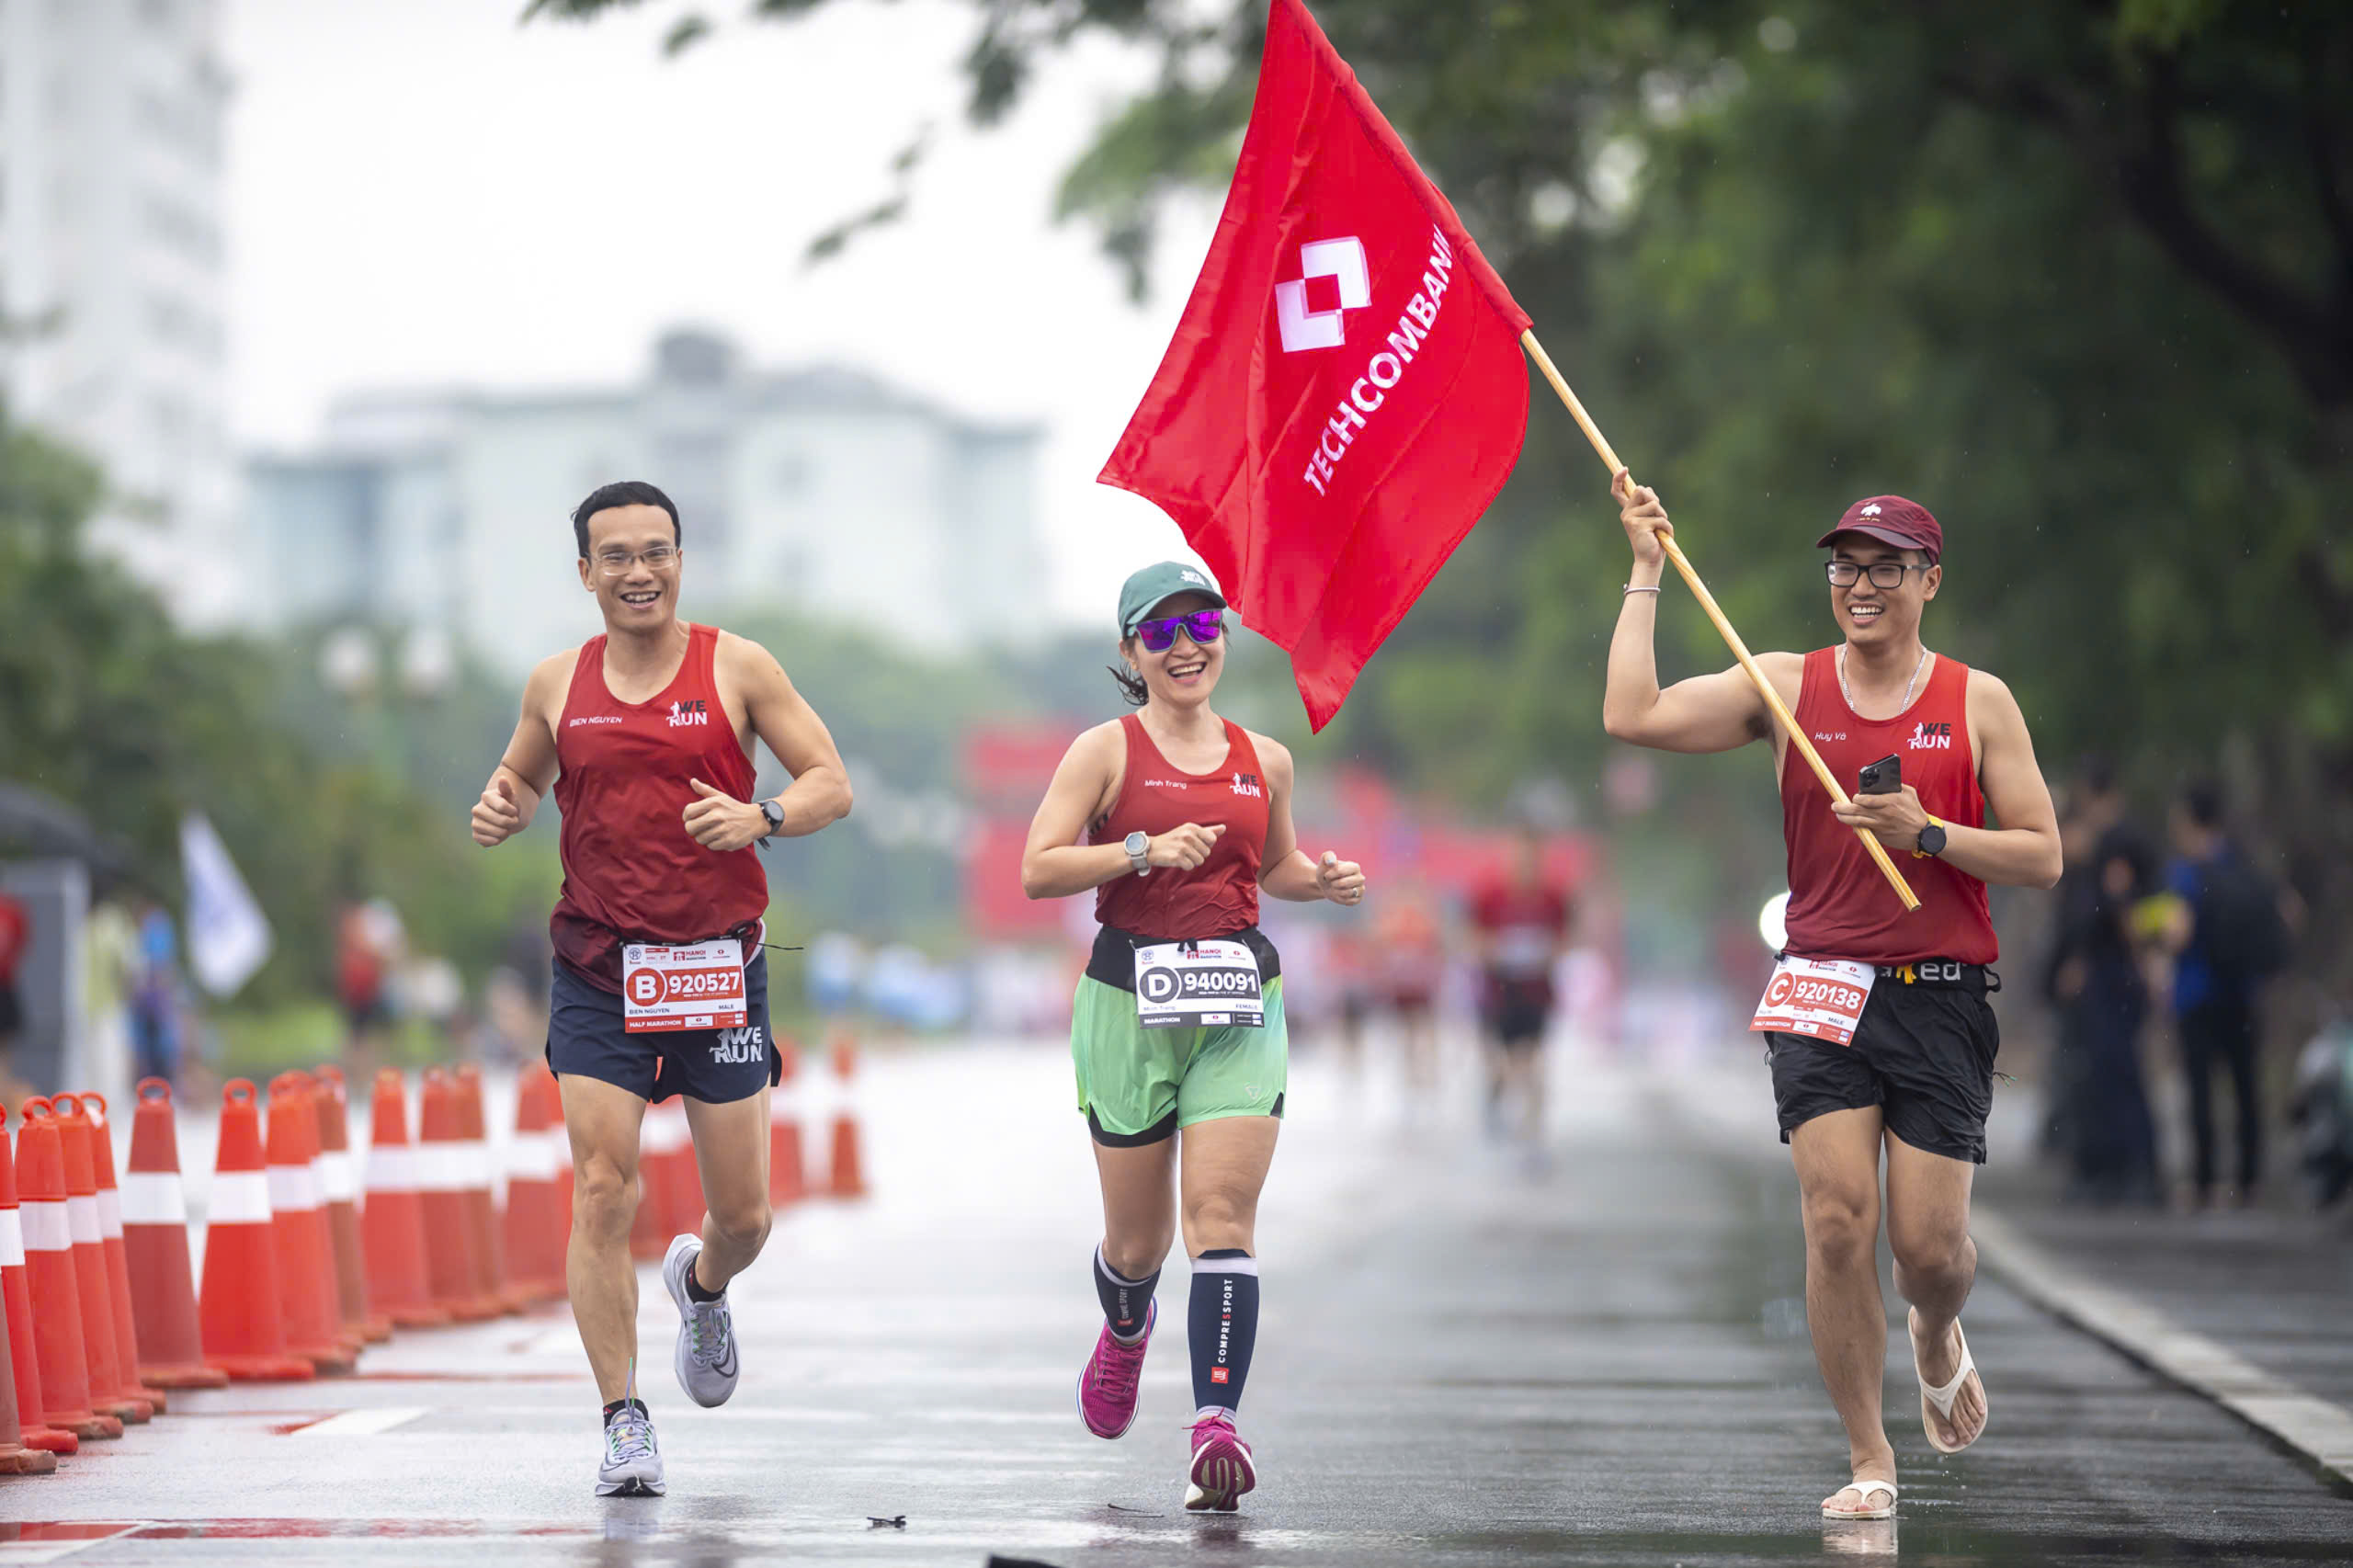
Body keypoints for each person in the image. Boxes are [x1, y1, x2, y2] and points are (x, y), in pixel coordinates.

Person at [1604, 483, 2061, 1521]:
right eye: (1844, 567)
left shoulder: (1976, 699)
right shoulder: (1781, 683)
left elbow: (2042, 853)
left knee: (1927, 1251)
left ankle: (1935, 1328)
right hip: (1820, 987)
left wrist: (1930, 835)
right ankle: (1869, 1457)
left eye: (1884, 566)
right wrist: (1643, 566)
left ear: (1927, 581)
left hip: (1941, 995)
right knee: (1835, 1220)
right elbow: (1630, 713)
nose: (1859, 585)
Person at [471, 480, 852, 1496]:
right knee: (602, 1187)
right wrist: (501, 804)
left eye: (657, 551)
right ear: (586, 572)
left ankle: (704, 1282)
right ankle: (624, 1420)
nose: (640, 571)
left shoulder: (738, 665)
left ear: (680, 559)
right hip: (599, 968)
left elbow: (831, 781)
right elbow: (519, 775)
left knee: (747, 1216)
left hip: (716, 965)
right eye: (618, 556)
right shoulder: (557, 682)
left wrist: (760, 816)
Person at [1019, 562, 1365, 1514]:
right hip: (1128, 1000)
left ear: (1224, 632)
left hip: (1237, 1002)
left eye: (1202, 622)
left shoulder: (1267, 756)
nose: (1186, 644)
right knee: (1138, 1242)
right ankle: (1126, 1326)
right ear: (1132, 651)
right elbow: (1038, 868)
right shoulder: (1104, 751)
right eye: (1161, 631)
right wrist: (1137, 849)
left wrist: (1319, 879)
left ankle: (1216, 1421)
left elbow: (1276, 862)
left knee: (1221, 1219)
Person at [2164, 779, 2290, 1209]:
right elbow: (2291, 916)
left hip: (2197, 996)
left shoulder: (2185, 873)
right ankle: (2250, 1180)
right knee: (2246, 1088)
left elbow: (2178, 933)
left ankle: (2203, 1182)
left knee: (2201, 1090)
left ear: (2188, 821)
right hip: (2241, 993)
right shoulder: (2245, 866)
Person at [1468, 824, 1572, 1149]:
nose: (1525, 863)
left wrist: (1547, 953)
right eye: (1519, 855)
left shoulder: (1552, 897)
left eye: (1531, 857)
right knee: (1502, 1066)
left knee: (1533, 1064)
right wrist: (1496, 951)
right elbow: (1470, 937)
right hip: (1498, 992)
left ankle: (1533, 1133)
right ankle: (1495, 1098)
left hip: (1536, 993)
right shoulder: (1491, 895)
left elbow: (1567, 938)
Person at [0, 891, 28, 1107]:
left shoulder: (12, 910)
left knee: (5, 1049)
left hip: (5, 986)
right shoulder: (12, 910)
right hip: (6, 985)